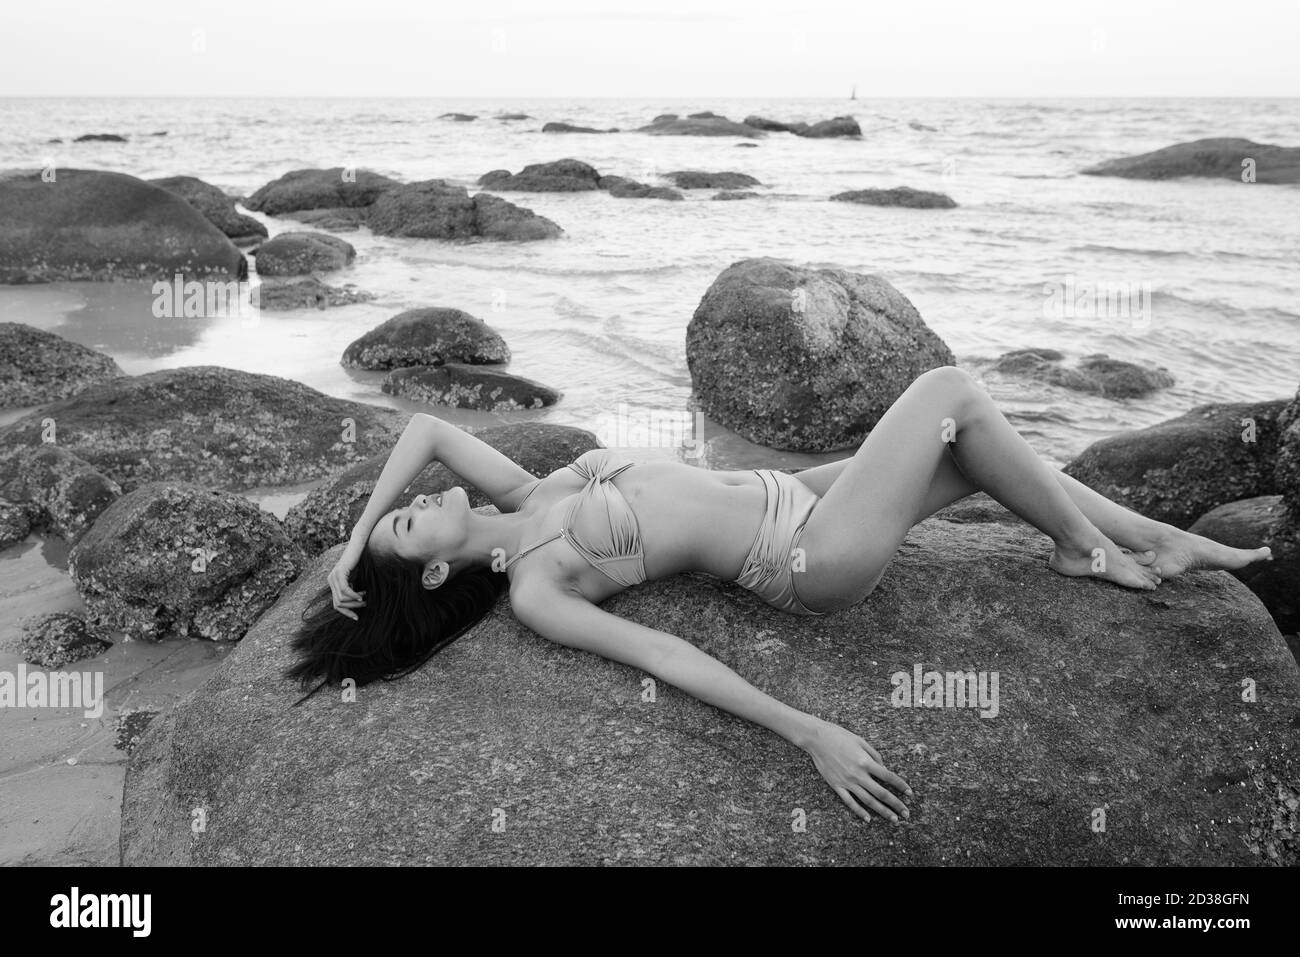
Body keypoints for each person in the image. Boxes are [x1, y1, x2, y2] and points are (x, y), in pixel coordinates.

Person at [287, 366, 1271, 823]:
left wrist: (350, 544)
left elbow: (417, 430)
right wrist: (807, 732)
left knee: (977, 450)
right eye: (408, 526)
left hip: (797, 493)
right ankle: (1079, 551)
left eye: (402, 508)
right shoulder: (539, 586)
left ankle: (1156, 538)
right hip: (805, 558)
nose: (415, 502)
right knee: (948, 394)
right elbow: (668, 659)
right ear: (432, 570)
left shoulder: (526, 492)